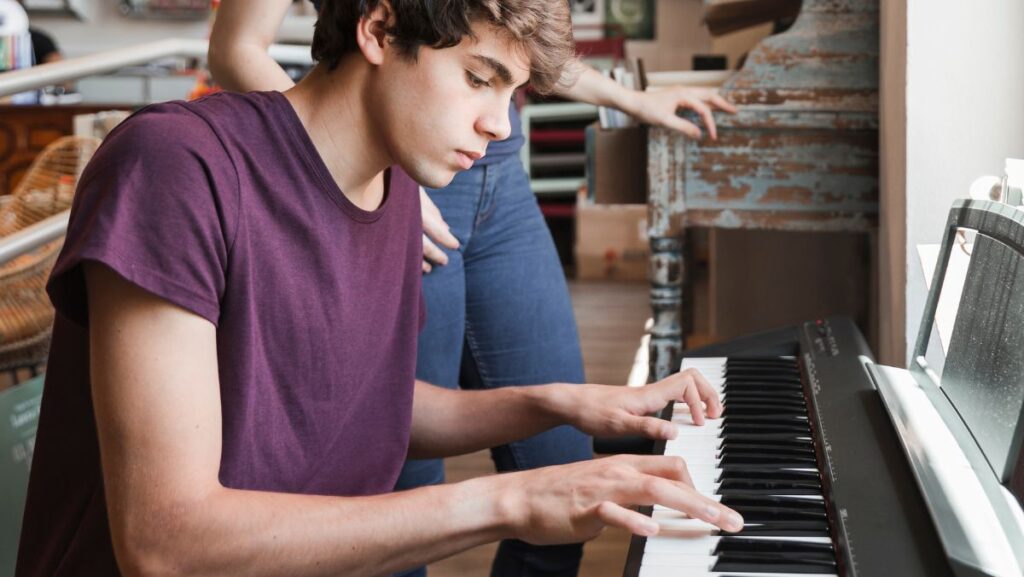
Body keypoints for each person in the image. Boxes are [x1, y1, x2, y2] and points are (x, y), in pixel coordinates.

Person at [16, 1, 743, 576]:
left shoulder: (394, 192)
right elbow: (165, 543)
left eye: (514, 91)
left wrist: (557, 403)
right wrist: (511, 498)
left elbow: (354, 402)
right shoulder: (176, 166)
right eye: (479, 78)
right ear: (378, 28)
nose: (498, 124)